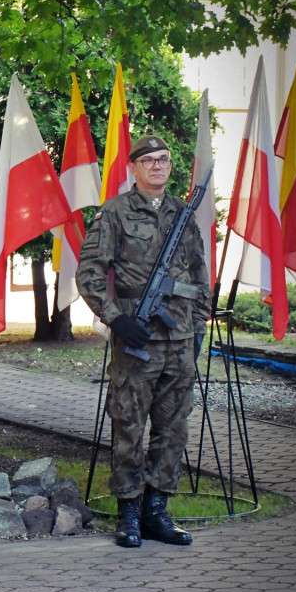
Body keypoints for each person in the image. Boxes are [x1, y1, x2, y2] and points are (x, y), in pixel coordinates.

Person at [75, 134, 211, 548]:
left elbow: (200, 277)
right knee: (129, 426)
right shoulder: (114, 212)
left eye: (164, 160)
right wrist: (117, 320)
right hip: (137, 338)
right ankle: (129, 513)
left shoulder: (183, 214)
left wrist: (198, 327)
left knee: (174, 429)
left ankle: (157, 511)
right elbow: (90, 274)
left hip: (180, 337)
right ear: (133, 168)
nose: (157, 166)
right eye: (148, 160)